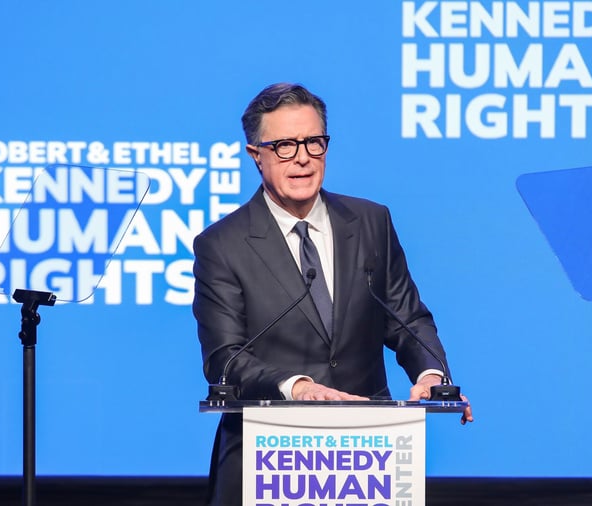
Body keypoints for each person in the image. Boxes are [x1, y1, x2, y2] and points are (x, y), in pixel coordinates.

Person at [192, 82, 473, 505]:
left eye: (314, 142)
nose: (302, 157)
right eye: (284, 145)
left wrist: (432, 376)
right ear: (256, 155)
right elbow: (224, 359)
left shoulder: (371, 221)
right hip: (267, 454)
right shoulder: (222, 244)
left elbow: (407, 319)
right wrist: (299, 387)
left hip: (367, 455)